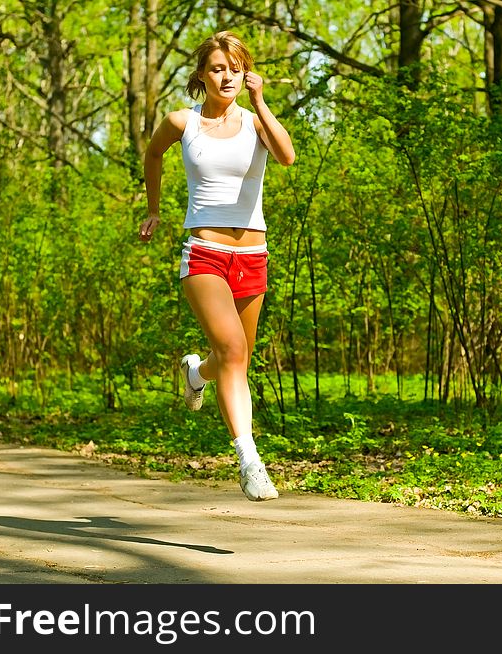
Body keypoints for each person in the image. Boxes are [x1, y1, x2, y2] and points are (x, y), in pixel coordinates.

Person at [138, 31, 295, 501]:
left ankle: (195, 373)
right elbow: (152, 154)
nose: (226, 76)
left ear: (245, 71)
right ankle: (249, 460)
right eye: (217, 68)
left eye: (234, 67)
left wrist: (260, 98)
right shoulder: (181, 122)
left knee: (234, 358)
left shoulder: (256, 122)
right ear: (201, 76)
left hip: (253, 255)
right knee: (231, 347)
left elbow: (286, 157)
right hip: (204, 251)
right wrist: (154, 208)